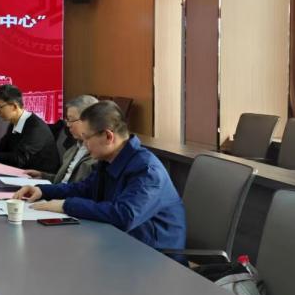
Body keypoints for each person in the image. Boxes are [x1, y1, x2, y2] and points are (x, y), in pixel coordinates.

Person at [14, 101, 186, 250]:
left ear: (108, 136)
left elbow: (124, 215)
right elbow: (84, 188)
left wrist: (66, 206)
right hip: (119, 243)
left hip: (154, 255)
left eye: (86, 138)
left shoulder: (147, 171)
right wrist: (43, 191)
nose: (84, 145)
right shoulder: (108, 159)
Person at [46, 95, 99, 184]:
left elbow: (79, 188)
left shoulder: (99, 156)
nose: (68, 125)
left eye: (71, 120)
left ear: (89, 120)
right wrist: (42, 176)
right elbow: (64, 180)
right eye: (67, 120)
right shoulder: (74, 147)